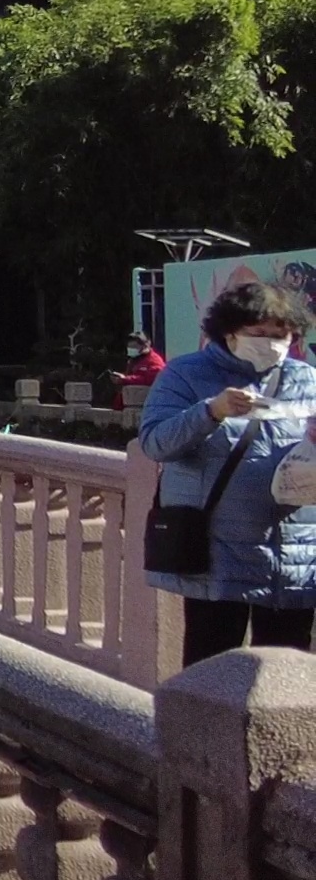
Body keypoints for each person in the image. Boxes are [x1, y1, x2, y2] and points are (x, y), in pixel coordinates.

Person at [138, 280, 316, 665]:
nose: (270, 343)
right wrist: (210, 412)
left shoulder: (306, 379)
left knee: (284, 672)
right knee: (211, 668)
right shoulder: (186, 374)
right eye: (258, 333)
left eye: (280, 335)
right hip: (218, 551)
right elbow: (155, 443)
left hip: (294, 552)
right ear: (229, 332)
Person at [117, 333, 166, 407]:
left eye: (134, 347)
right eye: (129, 347)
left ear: (145, 346)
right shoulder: (134, 360)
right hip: (129, 401)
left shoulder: (154, 361)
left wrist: (126, 379)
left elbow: (151, 379)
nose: (131, 350)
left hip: (146, 403)